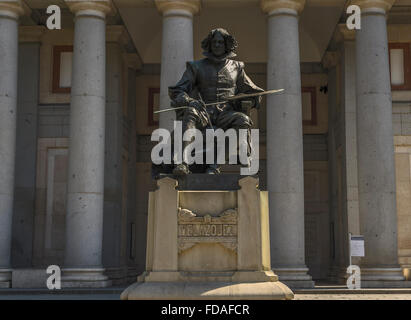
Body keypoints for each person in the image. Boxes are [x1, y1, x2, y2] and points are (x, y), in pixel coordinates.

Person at [169, 28, 264, 175]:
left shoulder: (237, 67)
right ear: (209, 44)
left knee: (243, 121)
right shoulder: (196, 66)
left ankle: (214, 167)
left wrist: (248, 99)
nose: (217, 45)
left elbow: (255, 92)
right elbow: (177, 91)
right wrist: (188, 100)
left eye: (221, 42)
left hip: (226, 115)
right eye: (214, 42)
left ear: (227, 44)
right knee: (190, 112)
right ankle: (182, 163)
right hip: (203, 113)